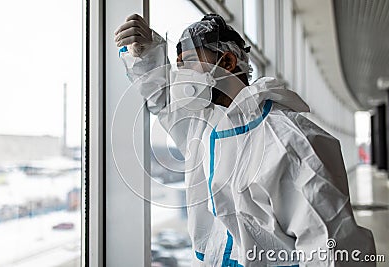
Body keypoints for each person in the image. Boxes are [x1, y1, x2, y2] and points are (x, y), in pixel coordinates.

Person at [114, 13, 376, 266]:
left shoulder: (289, 138)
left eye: (189, 62)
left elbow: (331, 245)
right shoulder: (204, 128)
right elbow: (163, 101)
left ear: (227, 63)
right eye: (179, 65)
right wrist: (147, 56)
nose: (181, 75)